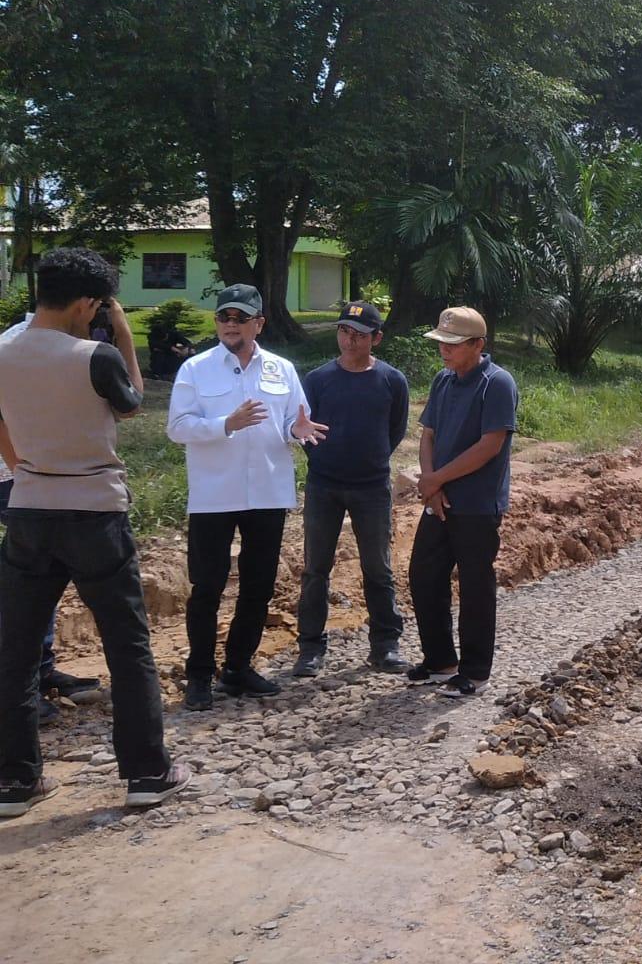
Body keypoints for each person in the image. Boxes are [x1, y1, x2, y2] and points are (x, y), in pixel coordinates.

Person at [0, 248, 187, 817]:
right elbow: (131, 405)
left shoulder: (2, 351)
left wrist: (29, 469)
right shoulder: (95, 357)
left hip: (29, 508)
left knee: (14, 651)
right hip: (95, 511)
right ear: (87, 303)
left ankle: (15, 781)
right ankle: (147, 772)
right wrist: (123, 334)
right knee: (127, 646)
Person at [167, 283, 326, 711]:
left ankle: (238, 668)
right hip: (214, 495)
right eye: (225, 317)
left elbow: (294, 420)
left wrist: (298, 431)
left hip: (268, 493)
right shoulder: (196, 369)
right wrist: (226, 424)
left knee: (258, 587)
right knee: (207, 587)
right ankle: (199, 675)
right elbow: (177, 427)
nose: (231, 325)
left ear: (259, 323)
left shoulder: (281, 369)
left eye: (241, 318)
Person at [292, 300, 410, 677]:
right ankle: (310, 647)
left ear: (376, 338)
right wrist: (324, 457)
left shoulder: (392, 381)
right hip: (324, 485)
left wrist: (371, 458)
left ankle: (385, 645)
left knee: (378, 567)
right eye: (344, 331)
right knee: (316, 568)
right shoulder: (317, 380)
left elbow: (395, 430)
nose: (349, 340)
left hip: (372, 487)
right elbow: (304, 428)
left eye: (359, 334)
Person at [407, 307, 517, 698]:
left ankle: (475, 671)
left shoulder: (496, 383)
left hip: (476, 503)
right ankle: (440, 661)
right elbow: (428, 434)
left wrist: (436, 479)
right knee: (424, 575)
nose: (444, 350)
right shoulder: (443, 380)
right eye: (441, 342)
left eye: (453, 344)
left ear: (477, 344)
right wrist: (431, 485)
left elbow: (490, 446)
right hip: (440, 499)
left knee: (474, 586)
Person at [0, 311, 103, 727]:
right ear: (82, 305)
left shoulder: (64, 342)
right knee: (24, 585)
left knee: (42, 578)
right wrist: (25, 474)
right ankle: (20, 688)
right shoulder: (18, 346)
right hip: (17, 479)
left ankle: (40, 672)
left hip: (35, 478)